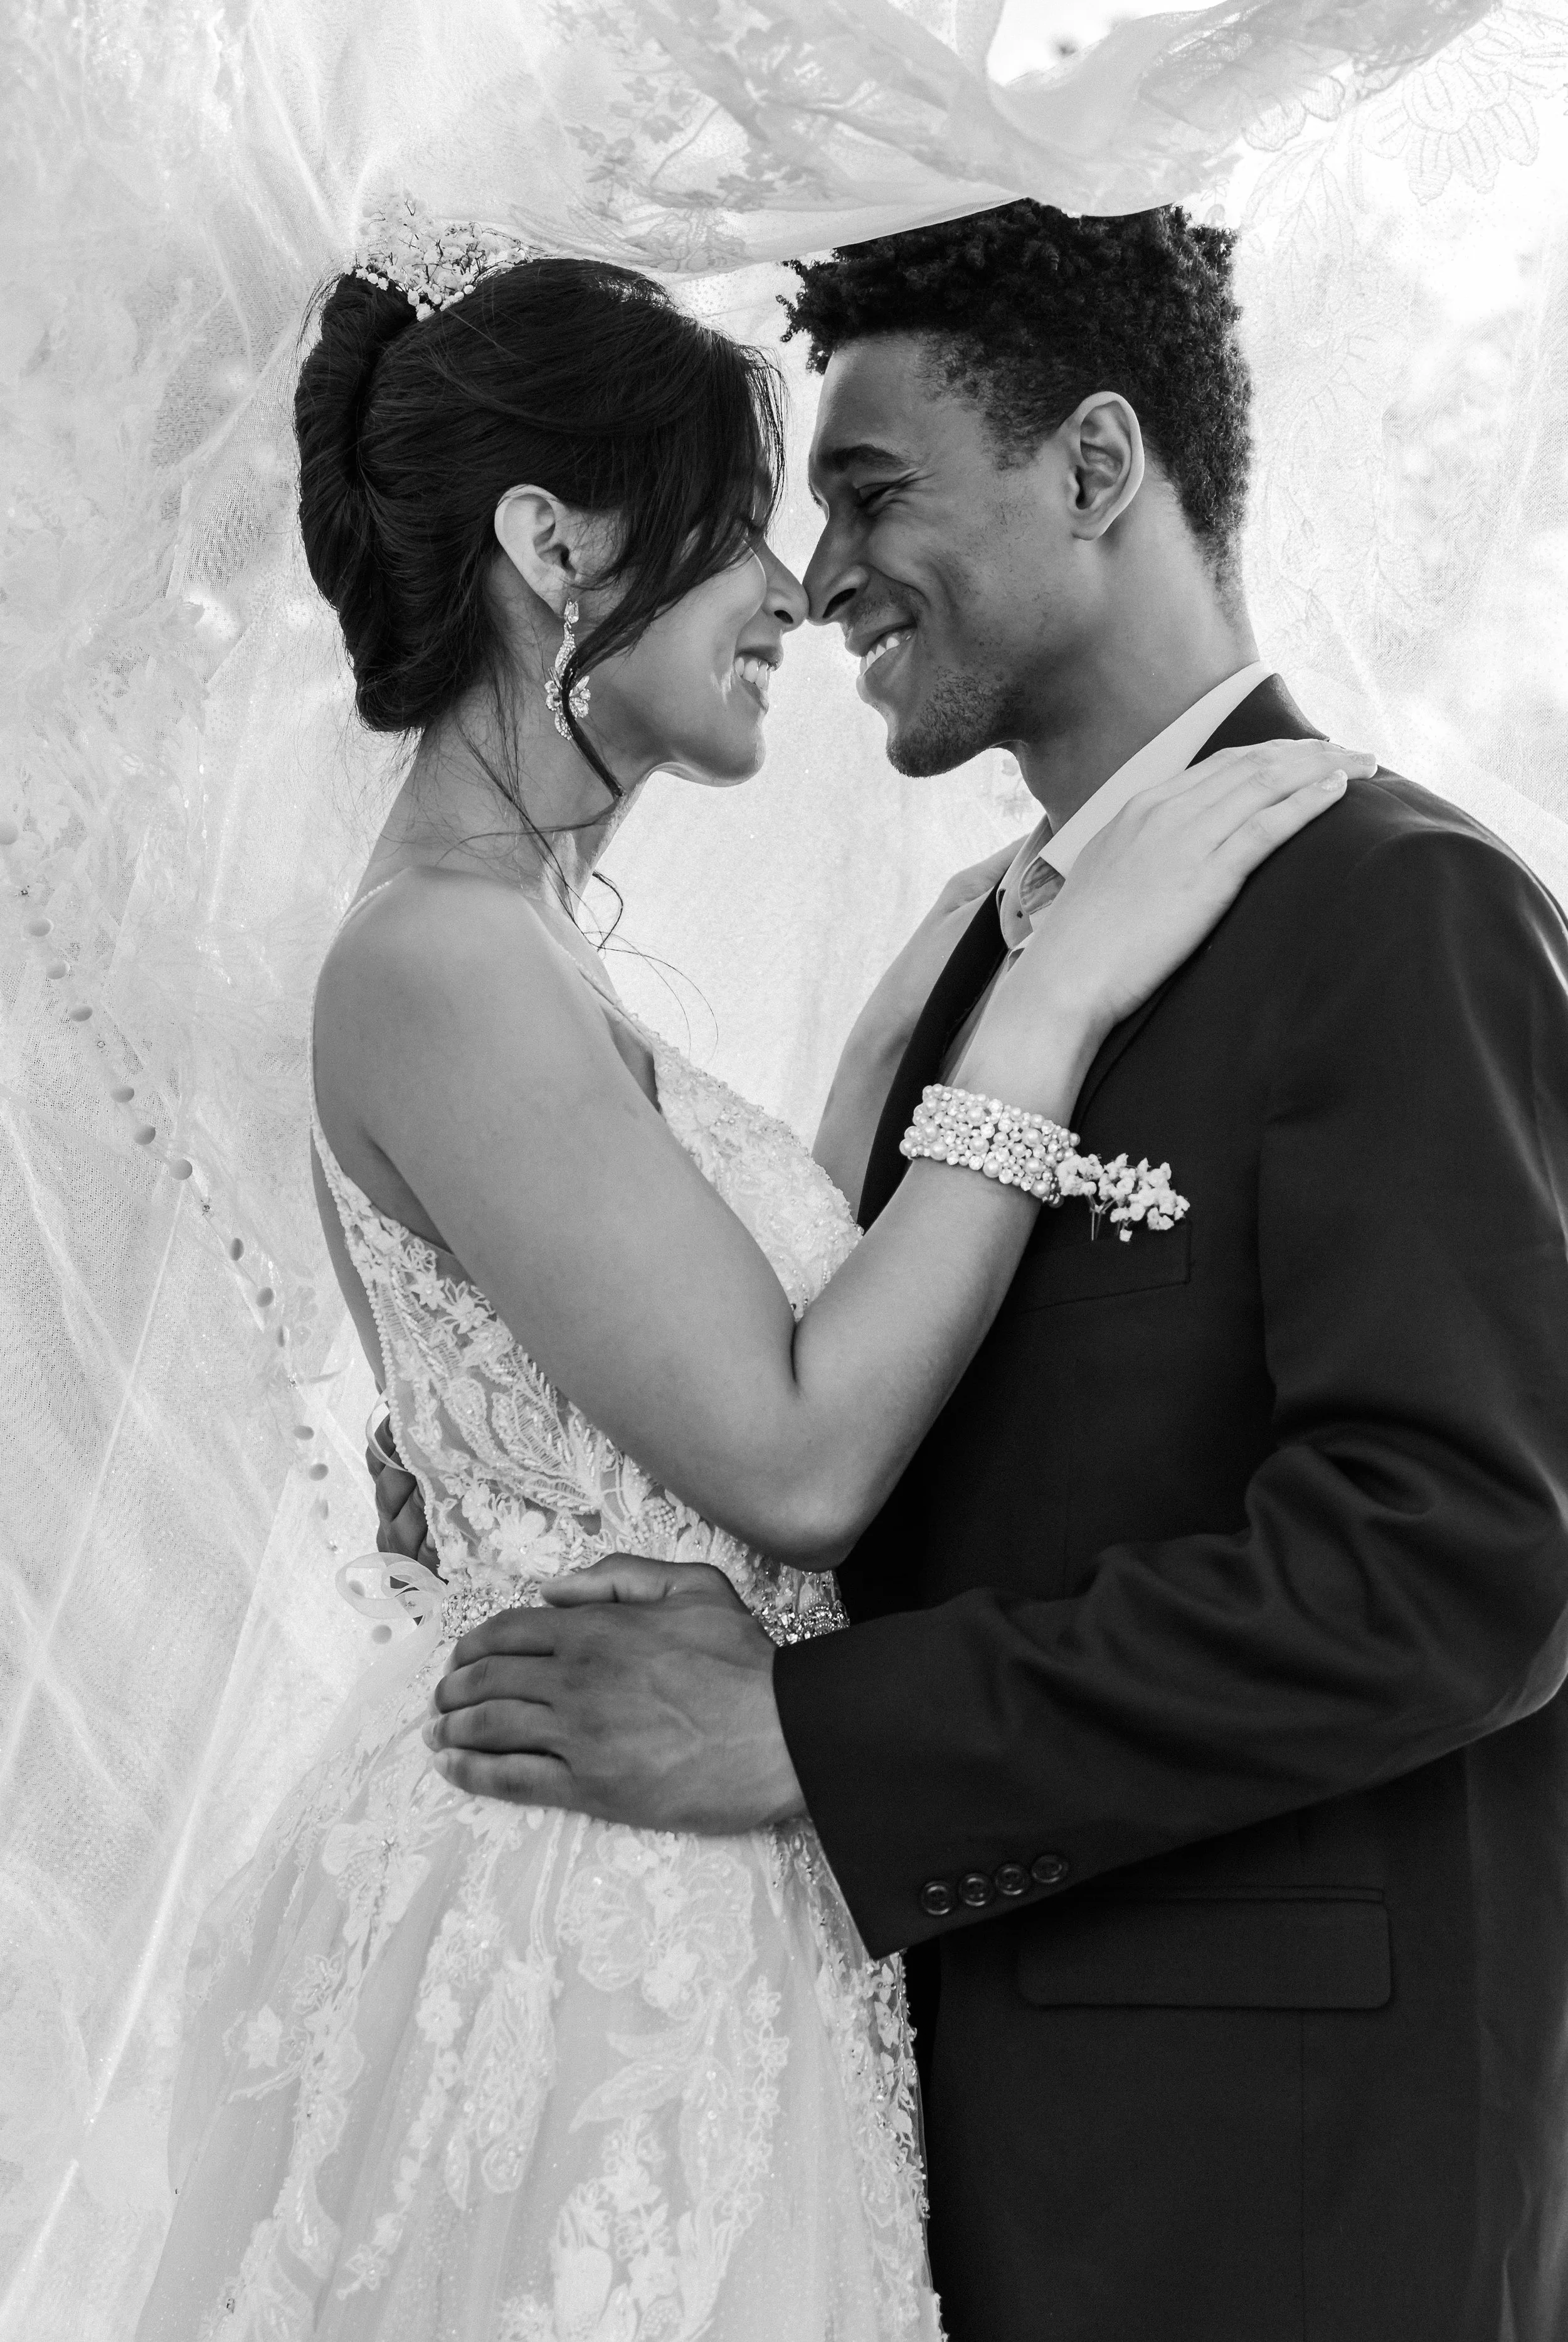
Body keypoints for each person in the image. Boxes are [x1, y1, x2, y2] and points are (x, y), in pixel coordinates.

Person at [132, 228, 1350, 2340]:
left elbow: (691, 1341)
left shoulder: (527, 953)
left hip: (707, 1910)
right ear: (552, 542)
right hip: (592, 1927)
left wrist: (910, 1027)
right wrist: (1044, 1005)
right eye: (741, 523)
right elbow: (794, 1456)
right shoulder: (437, 961)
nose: (794, 585)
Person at [417, 205, 1568, 2340]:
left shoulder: (1395, 914)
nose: (822, 570)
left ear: (1096, 465)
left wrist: (817, 1738)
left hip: (1266, 2189)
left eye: (870, 489)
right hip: (921, 2146)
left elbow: (1459, 1567)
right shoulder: (971, 951)